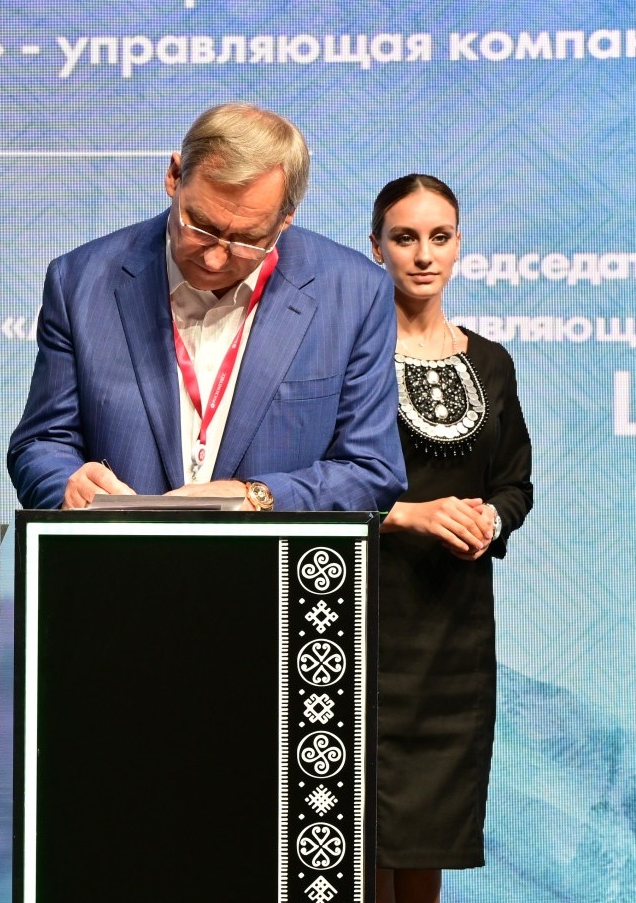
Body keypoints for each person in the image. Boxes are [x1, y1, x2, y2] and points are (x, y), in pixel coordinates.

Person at [8, 102, 406, 513]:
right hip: (119, 550)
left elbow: (372, 468)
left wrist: (258, 498)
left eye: (247, 240)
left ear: (286, 218)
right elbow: (41, 443)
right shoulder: (81, 282)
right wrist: (66, 486)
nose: (215, 259)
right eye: (201, 226)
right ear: (174, 175)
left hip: (267, 554)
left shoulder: (355, 294)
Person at [368, 174, 533, 903]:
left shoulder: (491, 362)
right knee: (360, 837)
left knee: (428, 834)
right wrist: (409, 513)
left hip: (454, 633)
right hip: (363, 623)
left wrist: (487, 520)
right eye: (405, 237)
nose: (424, 254)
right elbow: (316, 486)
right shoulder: (349, 358)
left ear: (460, 244)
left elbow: (515, 485)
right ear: (376, 247)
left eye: (439, 237)